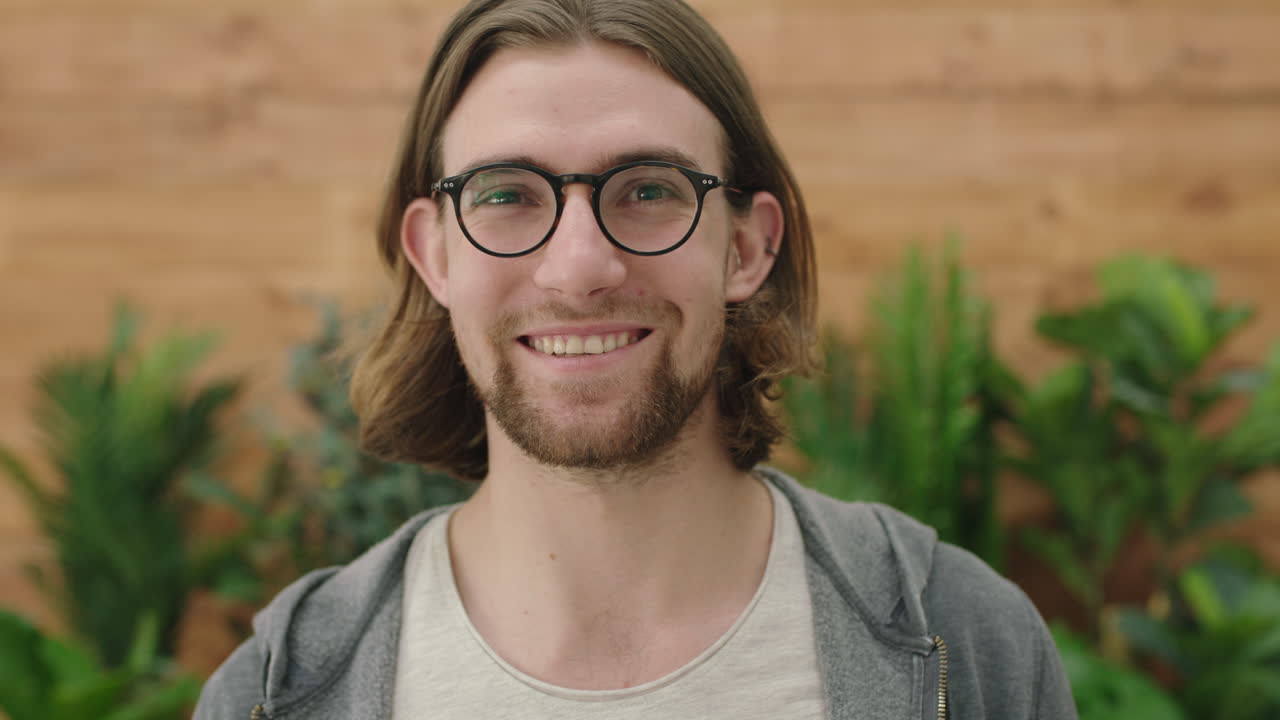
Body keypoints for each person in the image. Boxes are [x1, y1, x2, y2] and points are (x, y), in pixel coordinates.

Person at [196, 0, 1077, 717]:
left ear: (746, 248)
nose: (579, 268)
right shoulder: (280, 691)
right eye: (506, 195)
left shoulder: (970, 643)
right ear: (436, 257)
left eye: (650, 190)